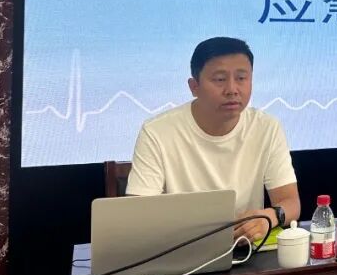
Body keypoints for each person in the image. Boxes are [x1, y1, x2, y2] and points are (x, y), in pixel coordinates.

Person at [125, 37, 300, 244]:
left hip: (244, 250)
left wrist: (269, 217)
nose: (232, 89)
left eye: (241, 78)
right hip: (181, 250)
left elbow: (290, 202)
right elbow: (138, 217)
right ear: (194, 86)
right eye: (219, 79)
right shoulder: (157, 132)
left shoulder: (266, 127)